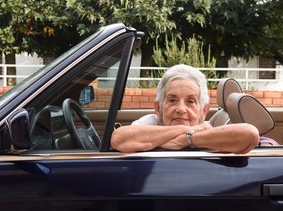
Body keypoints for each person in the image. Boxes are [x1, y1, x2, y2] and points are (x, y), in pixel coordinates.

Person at [111, 64, 261, 153]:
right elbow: (118, 139)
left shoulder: (209, 130)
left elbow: (250, 134)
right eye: (172, 100)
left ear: (203, 111)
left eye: (190, 101)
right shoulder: (152, 122)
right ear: (158, 108)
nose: (181, 109)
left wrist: (186, 140)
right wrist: (184, 131)